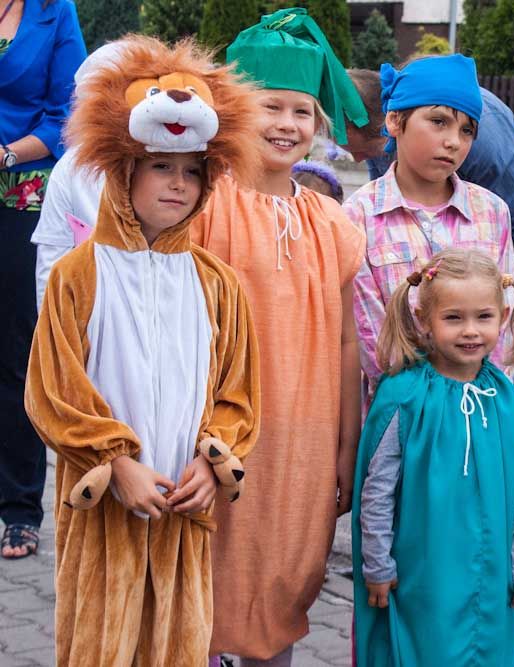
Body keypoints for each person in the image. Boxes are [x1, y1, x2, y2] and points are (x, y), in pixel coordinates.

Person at [23, 36, 262, 665]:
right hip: (105, 507)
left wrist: (215, 462)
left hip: (184, 506)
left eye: (192, 171)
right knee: (101, 645)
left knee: (176, 644)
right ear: (125, 169)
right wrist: (116, 461)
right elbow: (53, 388)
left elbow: (237, 392)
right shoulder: (80, 274)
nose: (178, 184)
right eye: (162, 166)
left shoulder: (218, 283)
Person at [189, 9, 368, 665]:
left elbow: (347, 342)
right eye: (271, 106)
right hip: (220, 435)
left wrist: (347, 447)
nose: (287, 125)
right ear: (234, 109)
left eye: (301, 111)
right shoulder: (205, 204)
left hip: (303, 443)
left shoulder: (330, 222)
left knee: (286, 576)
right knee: (205, 582)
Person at [352, 247, 514, 666]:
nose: (470, 331)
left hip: (492, 581)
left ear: (503, 318)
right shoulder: (405, 396)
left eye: (483, 317)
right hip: (425, 580)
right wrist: (378, 565)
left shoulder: (504, 399)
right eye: (453, 318)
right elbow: (378, 490)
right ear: (424, 321)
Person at [343, 67, 514, 405]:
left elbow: (506, 313)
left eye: (467, 130)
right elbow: (372, 337)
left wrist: (484, 395)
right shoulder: (359, 216)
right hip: (404, 416)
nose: (453, 141)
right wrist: (428, 405)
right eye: (439, 122)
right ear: (394, 122)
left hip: (480, 410)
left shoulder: (492, 211)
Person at [0, 0, 85, 560]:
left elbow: (67, 115)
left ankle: (19, 508)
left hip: (20, 194)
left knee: (16, 352)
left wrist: (6, 153)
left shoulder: (56, 11)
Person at [32, 41, 127, 311]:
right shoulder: (70, 168)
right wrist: (52, 332)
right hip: (88, 311)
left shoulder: (168, 163)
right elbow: (52, 261)